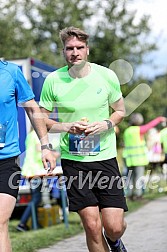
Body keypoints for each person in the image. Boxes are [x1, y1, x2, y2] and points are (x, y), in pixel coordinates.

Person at [39, 26, 128, 252]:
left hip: (105, 158)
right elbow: (42, 118)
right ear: (63, 52)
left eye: (80, 47)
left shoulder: (106, 75)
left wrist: (106, 124)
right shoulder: (53, 80)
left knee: (114, 226)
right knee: (91, 225)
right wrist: (66, 126)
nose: (75, 52)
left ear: (87, 50)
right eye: (70, 48)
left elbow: (120, 111)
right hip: (74, 161)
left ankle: (116, 242)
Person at [0, 60, 56, 251]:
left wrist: (46, 146)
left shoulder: (11, 72)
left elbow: (33, 108)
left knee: (0, 221)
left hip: (6, 160)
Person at [123, 113, 166, 200]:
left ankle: (130, 194)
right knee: (139, 177)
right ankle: (138, 195)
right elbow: (149, 126)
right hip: (138, 159)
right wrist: (158, 119)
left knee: (130, 177)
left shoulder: (127, 131)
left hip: (128, 158)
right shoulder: (138, 130)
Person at [16, 129, 44, 232]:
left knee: (36, 197)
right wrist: (52, 152)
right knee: (36, 199)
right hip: (35, 171)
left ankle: (35, 224)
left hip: (29, 170)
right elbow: (39, 149)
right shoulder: (37, 134)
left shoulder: (30, 135)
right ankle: (22, 223)